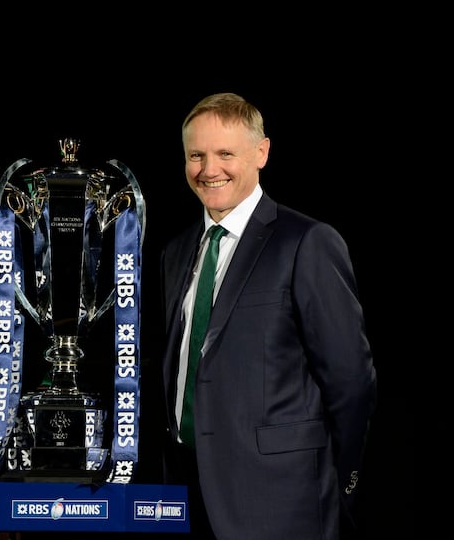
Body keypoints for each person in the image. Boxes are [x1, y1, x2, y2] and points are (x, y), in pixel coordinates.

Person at [157, 92, 377, 539]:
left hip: (282, 502)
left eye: (225, 154)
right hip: (184, 495)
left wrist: (337, 484)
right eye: (196, 155)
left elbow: (351, 382)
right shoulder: (175, 253)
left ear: (262, 153)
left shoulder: (306, 243)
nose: (208, 169)